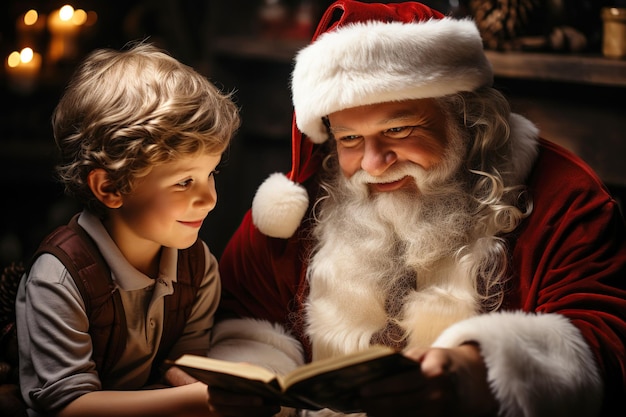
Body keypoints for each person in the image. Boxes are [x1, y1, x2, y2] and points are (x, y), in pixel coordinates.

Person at [205, 1, 626, 416]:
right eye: (350, 139)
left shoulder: (564, 196)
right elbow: (242, 312)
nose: (373, 164)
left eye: (398, 129)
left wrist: (474, 374)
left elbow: (606, 344)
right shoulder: (302, 203)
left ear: (466, 118)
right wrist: (252, 377)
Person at [14, 42, 254, 417]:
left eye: (211, 173)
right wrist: (197, 401)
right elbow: (68, 405)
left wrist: (221, 386)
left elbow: (182, 360)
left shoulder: (197, 265)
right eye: (183, 182)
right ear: (110, 188)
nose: (208, 199)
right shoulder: (59, 278)